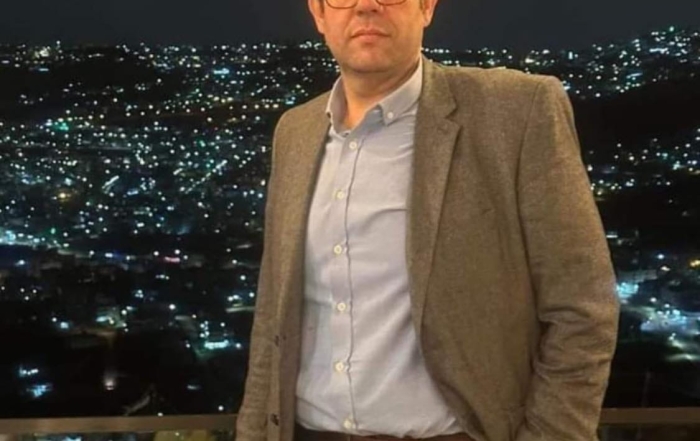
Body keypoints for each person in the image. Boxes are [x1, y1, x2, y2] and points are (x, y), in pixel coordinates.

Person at [236, 0, 620, 440]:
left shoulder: (516, 110)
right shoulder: (295, 131)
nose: (366, 6)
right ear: (319, 14)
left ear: (427, 7)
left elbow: (582, 308)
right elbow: (272, 315)